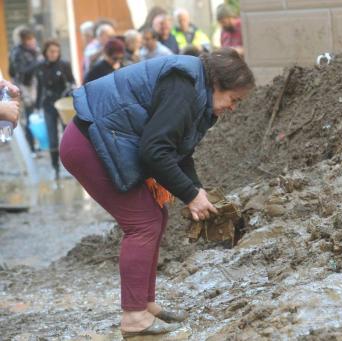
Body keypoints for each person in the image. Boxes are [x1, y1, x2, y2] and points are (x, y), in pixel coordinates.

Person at [60, 48, 255, 337]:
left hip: (103, 140)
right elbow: (154, 151)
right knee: (142, 223)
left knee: (156, 216)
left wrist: (197, 190)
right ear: (218, 83)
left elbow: (178, 150)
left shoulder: (195, 89)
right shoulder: (184, 89)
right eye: (233, 99)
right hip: (89, 145)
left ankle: (144, 303)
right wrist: (190, 195)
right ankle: (134, 317)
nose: (233, 108)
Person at [35, 40, 75, 179]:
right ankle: (55, 168)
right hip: (48, 105)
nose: (54, 54)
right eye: (51, 51)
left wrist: (70, 91)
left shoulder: (64, 64)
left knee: (68, 136)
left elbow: (72, 82)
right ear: (46, 52)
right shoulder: (40, 66)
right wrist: (37, 106)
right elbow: (39, 87)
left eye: (56, 51)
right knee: (52, 138)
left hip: (64, 104)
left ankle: (72, 167)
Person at [8, 27, 41, 154]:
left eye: (32, 38)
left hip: (34, 87)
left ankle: (36, 144)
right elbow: (19, 72)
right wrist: (37, 63)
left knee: (35, 116)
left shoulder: (34, 51)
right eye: (28, 39)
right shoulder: (17, 53)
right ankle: (31, 147)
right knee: (28, 117)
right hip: (23, 89)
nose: (32, 41)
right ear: (22, 41)